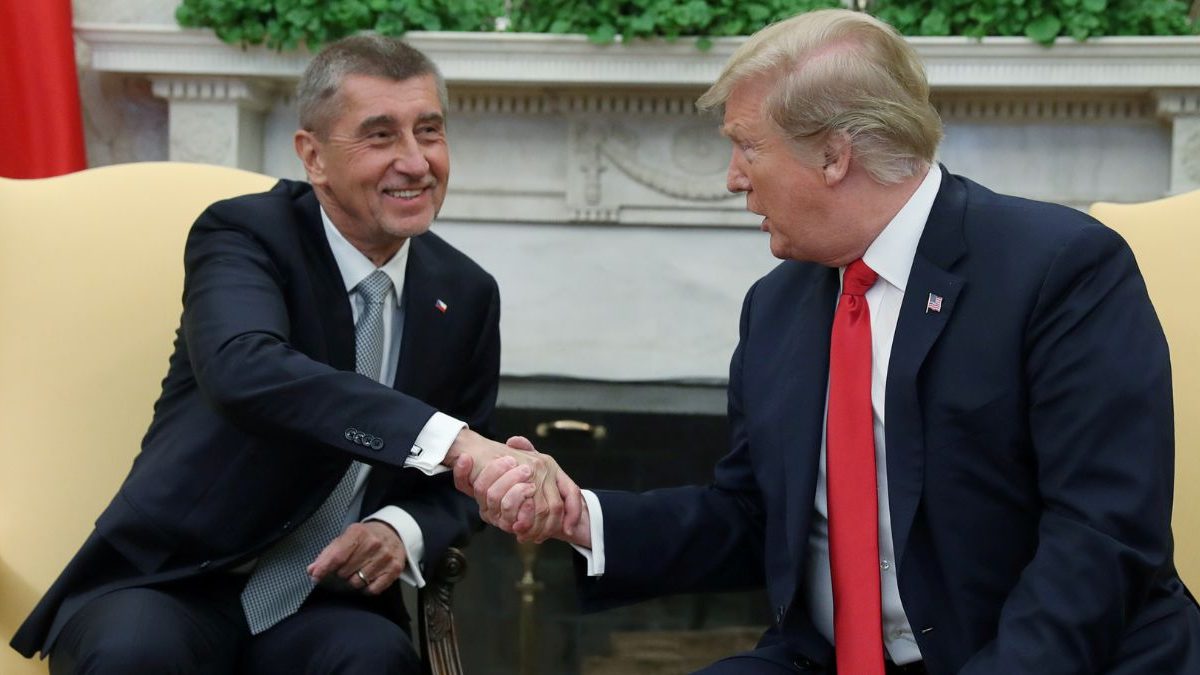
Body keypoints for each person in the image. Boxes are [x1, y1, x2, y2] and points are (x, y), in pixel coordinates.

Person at [459, 9, 1200, 674]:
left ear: (834, 156)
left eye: (748, 147)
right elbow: (749, 515)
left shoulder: (1058, 269)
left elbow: (1097, 543)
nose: (732, 180)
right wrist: (578, 513)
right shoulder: (778, 305)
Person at [10, 34, 577, 674]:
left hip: (323, 596)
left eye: (429, 131)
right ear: (313, 155)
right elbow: (245, 369)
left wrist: (399, 528)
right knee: (133, 655)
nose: (417, 162)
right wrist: (454, 442)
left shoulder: (466, 293)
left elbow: (454, 485)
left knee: (376, 662)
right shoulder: (246, 234)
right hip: (176, 577)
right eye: (381, 136)